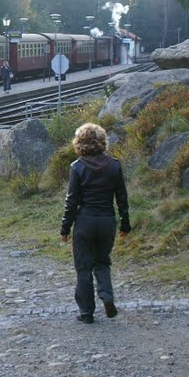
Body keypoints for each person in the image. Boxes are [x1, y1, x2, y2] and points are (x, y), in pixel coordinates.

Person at [60, 122, 131, 324]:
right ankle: (107, 297)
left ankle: (86, 312)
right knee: (102, 262)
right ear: (102, 142)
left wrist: (65, 229)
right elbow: (122, 199)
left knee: (83, 267)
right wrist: (125, 225)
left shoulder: (77, 167)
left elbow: (71, 202)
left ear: (79, 143)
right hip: (107, 220)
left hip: (85, 221)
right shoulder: (115, 165)